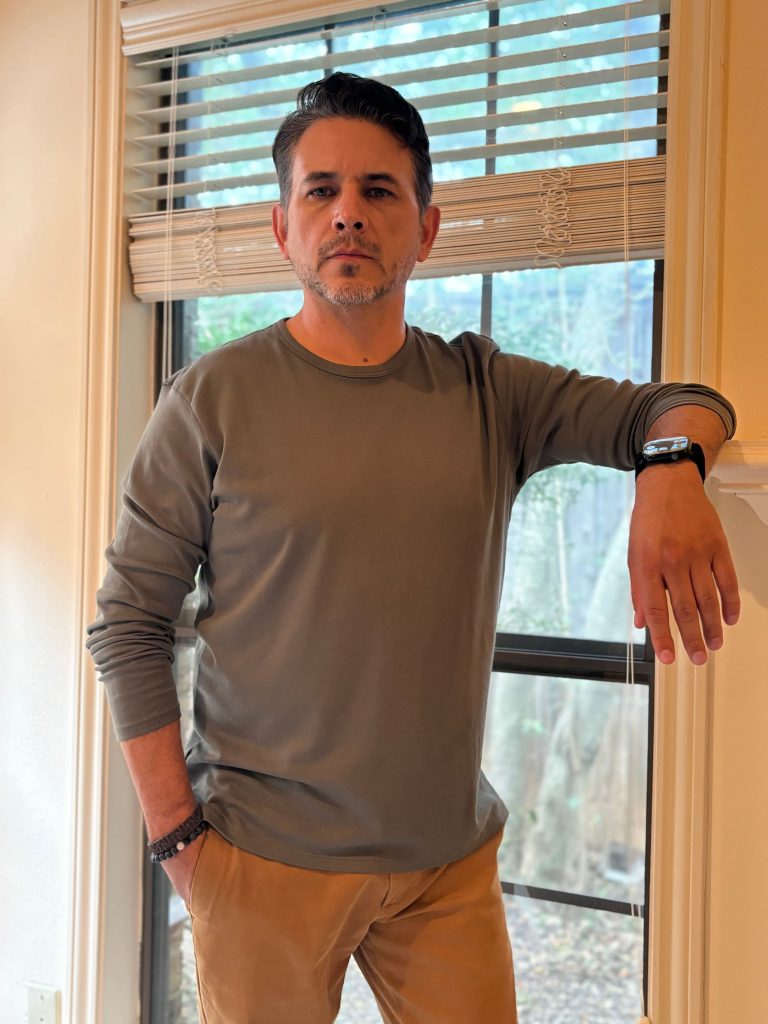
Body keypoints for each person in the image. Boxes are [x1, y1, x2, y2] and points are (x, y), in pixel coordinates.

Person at [86, 72, 739, 1024]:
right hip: (259, 864)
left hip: (445, 871)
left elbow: (683, 406)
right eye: (321, 190)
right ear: (283, 227)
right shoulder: (210, 399)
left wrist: (671, 472)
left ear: (425, 229)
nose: (348, 213)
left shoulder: (488, 390)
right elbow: (128, 623)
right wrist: (176, 839)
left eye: (379, 191)